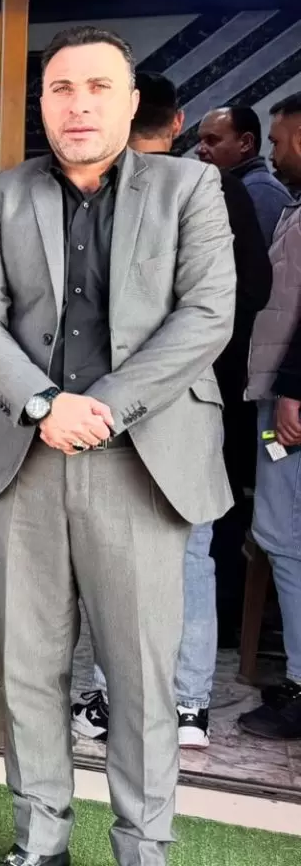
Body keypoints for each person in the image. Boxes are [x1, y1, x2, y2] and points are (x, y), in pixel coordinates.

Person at [0, 26, 235, 866]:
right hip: (29, 458)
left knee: (141, 675)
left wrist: (101, 407)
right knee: (26, 669)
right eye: (62, 89)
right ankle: (39, 842)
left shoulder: (189, 187)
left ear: (132, 101)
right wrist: (43, 403)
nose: (79, 105)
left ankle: (142, 847)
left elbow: (207, 315)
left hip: (141, 460)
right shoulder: (0, 195)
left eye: (98, 88)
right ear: (41, 103)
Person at [69, 72, 271, 750]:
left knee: (118, 558)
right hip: (195, 395)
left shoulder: (113, 192)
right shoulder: (217, 190)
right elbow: (246, 295)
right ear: (177, 121)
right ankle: (187, 706)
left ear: (122, 115)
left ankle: (112, 700)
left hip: (115, 400)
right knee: (187, 555)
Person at [237, 94, 301, 742]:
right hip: (278, 394)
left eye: (279, 141)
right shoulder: (295, 206)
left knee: (286, 539)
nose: (274, 154)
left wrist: (292, 390)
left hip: (289, 405)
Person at [198, 105, 292, 241]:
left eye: (211, 140)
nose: (199, 149)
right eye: (200, 141)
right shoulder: (244, 189)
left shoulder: (257, 191)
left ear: (246, 143)